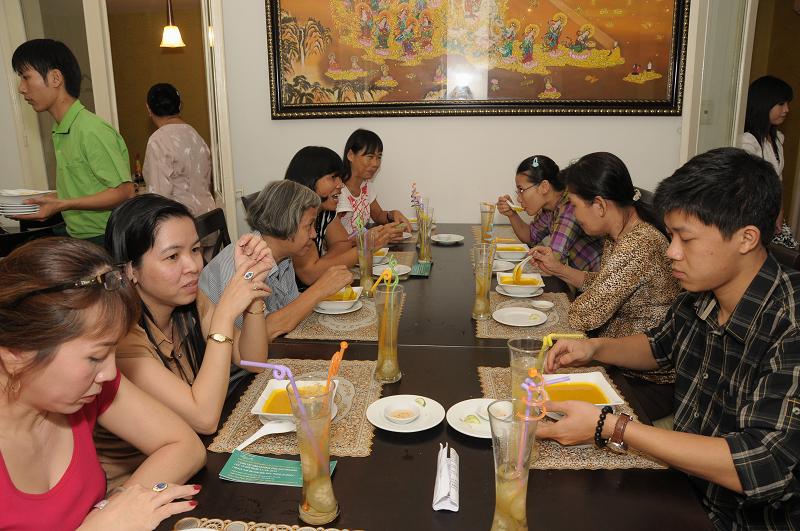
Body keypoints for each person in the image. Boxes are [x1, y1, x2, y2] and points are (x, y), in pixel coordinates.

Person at [539, 147, 800, 530]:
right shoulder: (701, 294)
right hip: (684, 486)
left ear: (746, 238)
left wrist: (612, 427)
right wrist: (594, 347)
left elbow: (764, 463)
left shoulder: (789, 323)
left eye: (685, 239)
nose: (672, 252)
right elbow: (659, 345)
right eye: (671, 235)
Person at [0, 237, 206, 530]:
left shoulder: (86, 388)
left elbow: (185, 446)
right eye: (95, 357)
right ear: (16, 354)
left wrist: (114, 509)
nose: (110, 373)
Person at [94, 194, 273, 489]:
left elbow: (253, 360)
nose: (193, 265)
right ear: (130, 270)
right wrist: (225, 314)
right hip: (141, 484)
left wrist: (252, 289)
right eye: (172, 257)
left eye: (195, 249)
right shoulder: (121, 338)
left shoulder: (190, 301)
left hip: (193, 464)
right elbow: (204, 417)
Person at [532, 152, 681, 419]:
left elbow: (584, 315)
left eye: (575, 206)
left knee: (542, 399)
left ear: (599, 205)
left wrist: (577, 301)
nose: (574, 215)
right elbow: (604, 284)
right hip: (619, 360)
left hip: (646, 380)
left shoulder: (638, 244)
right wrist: (559, 269)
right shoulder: (621, 233)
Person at [10, 39, 134, 245]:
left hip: (105, 239)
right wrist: (54, 199)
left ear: (55, 78)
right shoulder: (61, 129)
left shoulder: (90, 129)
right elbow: (86, 187)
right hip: (79, 237)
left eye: (26, 77)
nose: (21, 88)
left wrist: (63, 204)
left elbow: (124, 192)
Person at [201, 180, 353, 340]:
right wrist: (320, 289)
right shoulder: (244, 264)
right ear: (286, 223)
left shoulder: (283, 257)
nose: (314, 234)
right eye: (309, 225)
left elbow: (290, 307)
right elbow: (257, 336)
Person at [284, 146, 398, 287]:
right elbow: (310, 275)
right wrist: (366, 247)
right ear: (309, 179)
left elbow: (343, 243)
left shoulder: (324, 210)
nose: (341, 185)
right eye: (333, 177)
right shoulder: (294, 217)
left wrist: (322, 264)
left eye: (340, 177)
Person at [497, 155, 602, 272]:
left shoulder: (569, 207)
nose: (518, 199)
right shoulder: (549, 208)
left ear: (544, 187)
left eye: (521, 190)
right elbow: (531, 236)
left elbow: (553, 260)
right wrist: (512, 214)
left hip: (597, 278)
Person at [143, 83, 216, 218]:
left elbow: (158, 196)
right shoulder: (194, 135)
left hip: (182, 222)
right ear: (180, 106)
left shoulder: (158, 140)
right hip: (210, 216)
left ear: (148, 108)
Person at [740, 75, 796, 249]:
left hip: (771, 213)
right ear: (763, 104)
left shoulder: (776, 139)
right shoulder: (747, 141)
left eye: (787, 103)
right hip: (753, 217)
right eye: (781, 104)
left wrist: (780, 210)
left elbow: (777, 180)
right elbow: (748, 187)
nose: (787, 109)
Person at [337, 129, 411, 236]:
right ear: (350, 155)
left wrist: (392, 214)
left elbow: (378, 215)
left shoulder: (366, 185)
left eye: (378, 157)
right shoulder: (337, 190)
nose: (375, 164)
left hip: (363, 245)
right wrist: (376, 236)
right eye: (370, 157)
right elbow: (338, 241)